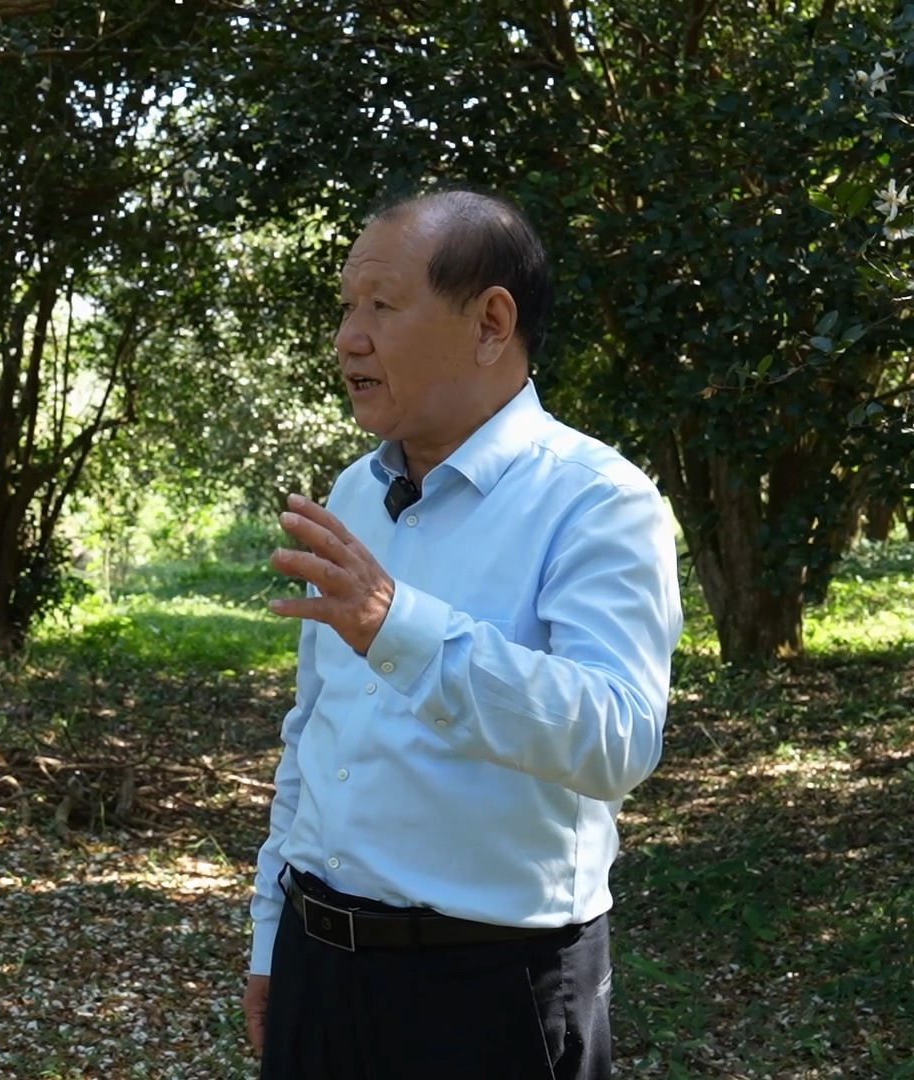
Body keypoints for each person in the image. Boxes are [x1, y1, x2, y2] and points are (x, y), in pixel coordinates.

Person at [242, 188, 682, 1079]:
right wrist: (269, 932)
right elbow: (315, 730)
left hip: (493, 989)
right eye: (346, 307)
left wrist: (397, 625)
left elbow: (619, 739)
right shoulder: (355, 492)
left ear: (490, 324)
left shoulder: (598, 501)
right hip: (318, 966)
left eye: (381, 305)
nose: (348, 339)